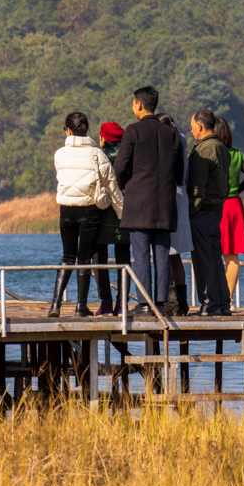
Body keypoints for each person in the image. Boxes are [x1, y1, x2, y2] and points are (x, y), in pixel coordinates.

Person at [112, 86, 182, 316]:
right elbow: (179, 172)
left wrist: (124, 186)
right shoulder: (171, 134)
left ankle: (144, 303)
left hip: (139, 203)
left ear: (139, 104)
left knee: (141, 254)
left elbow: (120, 166)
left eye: (133, 103)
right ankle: (160, 304)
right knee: (161, 254)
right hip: (165, 205)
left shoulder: (133, 131)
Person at [52, 111, 121, 317]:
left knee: (67, 257)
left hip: (66, 211)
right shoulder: (97, 154)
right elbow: (112, 188)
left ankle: (55, 304)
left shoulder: (59, 154)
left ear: (68, 130)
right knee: (84, 259)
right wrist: (122, 213)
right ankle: (81, 306)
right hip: (89, 212)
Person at [185, 109, 234, 316]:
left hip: (202, 211)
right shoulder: (222, 148)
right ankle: (222, 303)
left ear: (200, 126)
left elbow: (197, 187)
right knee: (215, 258)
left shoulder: (204, 149)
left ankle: (209, 304)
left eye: (192, 127)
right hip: (216, 210)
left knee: (203, 260)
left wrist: (191, 211)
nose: (191, 131)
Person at [215, 116, 244, 305]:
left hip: (216, 205)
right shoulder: (237, 154)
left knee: (212, 253)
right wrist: (238, 189)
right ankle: (229, 299)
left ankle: (214, 299)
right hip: (234, 205)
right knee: (232, 256)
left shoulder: (211, 152)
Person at [93, 121, 131, 315]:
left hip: (102, 218)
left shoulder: (100, 158)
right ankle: (122, 303)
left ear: (102, 139)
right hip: (125, 216)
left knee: (99, 258)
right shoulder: (129, 159)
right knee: (123, 259)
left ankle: (105, 301)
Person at [157, 113, 192, 312]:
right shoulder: (181, 143)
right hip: (182, 200)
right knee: (174, 255)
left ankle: (169, 303)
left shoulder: (167, 146)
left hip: (168, 202)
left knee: (166, 253)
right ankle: (182, 303)